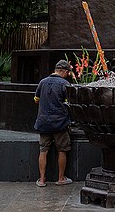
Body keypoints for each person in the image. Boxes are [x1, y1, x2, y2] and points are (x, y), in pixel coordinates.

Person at [34, 59, 73, 187]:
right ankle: (61, 178)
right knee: (62, 150)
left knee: (43, 150)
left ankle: (42, 180)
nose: (68, 75)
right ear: (63, 71)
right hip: (60, 123)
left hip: (44, 122)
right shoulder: (65, 84)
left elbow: (36, 100)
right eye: (68, 72)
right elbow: (69, 103)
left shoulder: (42, 82)